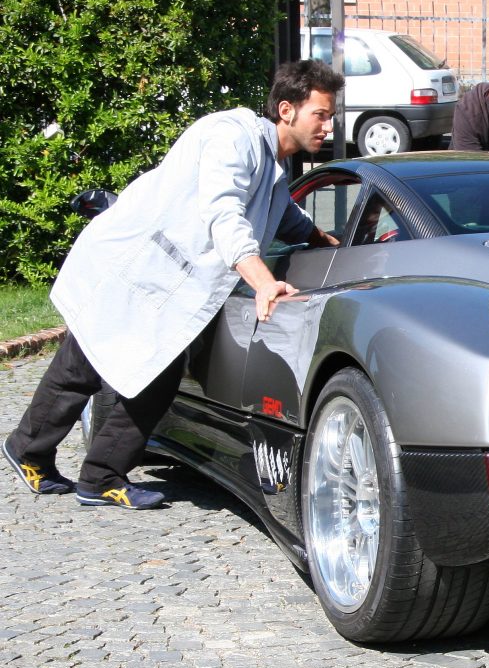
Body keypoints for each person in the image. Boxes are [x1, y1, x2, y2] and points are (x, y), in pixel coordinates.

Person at [3, 60, 345, 509]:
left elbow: (284, 217)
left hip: (165, 285)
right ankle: (36, 453)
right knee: (83, 366)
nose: (328, 126)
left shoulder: (272, 167)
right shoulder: (232, 137)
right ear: (287, 110)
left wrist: (328, 241)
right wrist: (263, 281)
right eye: (321, 114)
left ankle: (94, 475)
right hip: (138, 269)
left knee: (151, 378)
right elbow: (224, 213)